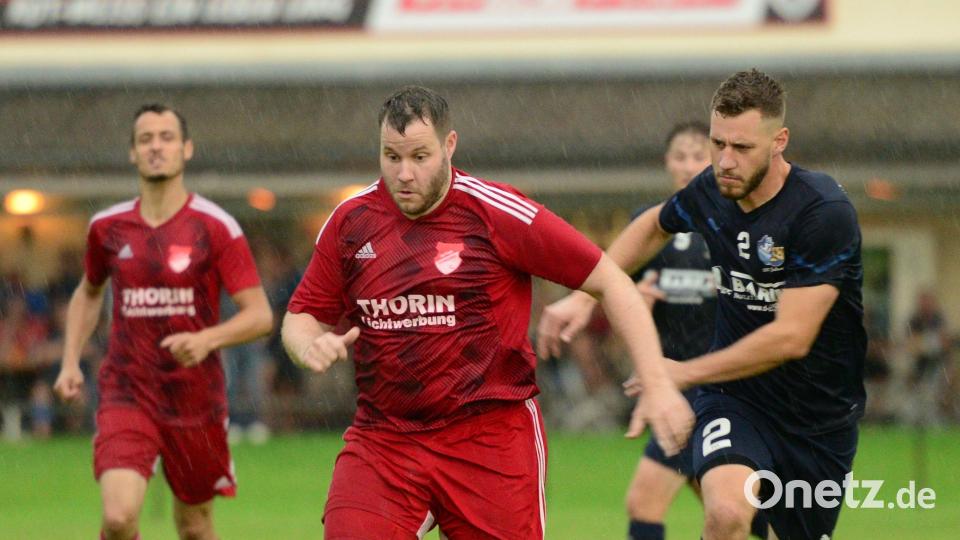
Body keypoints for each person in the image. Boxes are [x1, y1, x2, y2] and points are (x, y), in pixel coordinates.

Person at [281, 85, 694, 539]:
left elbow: (611, 280)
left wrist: (655, 380)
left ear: (449, 145)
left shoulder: (495, 212)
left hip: (489, 439)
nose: (404, 173)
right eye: (391, 156)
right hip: (387, 439)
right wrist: (307, 345)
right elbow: (302, 315)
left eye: (420, 156)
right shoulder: (351, 220)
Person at [539, 69, 866, 540]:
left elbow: (791, 337)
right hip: (736, 399)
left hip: (820, 418)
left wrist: (680, 372)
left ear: (780, 141)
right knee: (726, 514)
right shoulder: (712, 190)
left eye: (742, 147)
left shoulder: (822, 213)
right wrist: (584, 297)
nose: (725, 161)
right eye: (718, 144)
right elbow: (652, 225)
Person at [53, 104, 273, 540]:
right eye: (146, 139)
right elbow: (88, 291)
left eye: (167, 137)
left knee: (194, 526)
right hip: (126, 391)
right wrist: (69, 361)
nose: (157, 146)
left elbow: (260, 315)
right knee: (118, 519)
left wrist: (209, 339)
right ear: (133, 153)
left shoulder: (215, 227)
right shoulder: (107, 228)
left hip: (196, 398)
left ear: (186, 149)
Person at [619, 122, 770, 539]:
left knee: (652, 500)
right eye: (679, 157)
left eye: (697, 156)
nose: (688, 166)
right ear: (666, 163)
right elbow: (620, 302)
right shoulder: (650, 228)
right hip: (671, 384)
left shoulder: (733, 226)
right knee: (725, 507)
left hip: (720, 388)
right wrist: (637, 302)